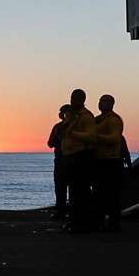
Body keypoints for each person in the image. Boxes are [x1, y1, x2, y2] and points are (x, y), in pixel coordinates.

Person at [61, 89, 97, 234]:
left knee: (81, 192)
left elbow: (92, 136)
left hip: (80, 157)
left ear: (82, 100)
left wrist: (73, 133)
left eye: (75, 99)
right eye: (71, 98)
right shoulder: (73, 116)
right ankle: (75, 220)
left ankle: (84, 222)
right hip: (69, 156)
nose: (72, 101)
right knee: (73, 191)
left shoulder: (86, 117)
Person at [93, 94, 125, 233]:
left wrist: (96, 137)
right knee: (99, 194)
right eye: (100, 100)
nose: (101, 103)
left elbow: (115, 138)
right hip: (99, 160)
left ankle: (113, 223)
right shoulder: (97, 119)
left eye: (105, 101)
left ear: (112, 104)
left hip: (111, 161)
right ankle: (99, 221)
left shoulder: (113, 120)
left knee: (112, 194)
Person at [47, 104, 72, 219]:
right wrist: (58, 136)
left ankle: (72, 212)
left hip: (71, 159)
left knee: (72, 187)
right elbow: (50, 143)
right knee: (59, 187)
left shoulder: (73, 126)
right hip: (59, 160)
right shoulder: (58, 127)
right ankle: (60, 211)